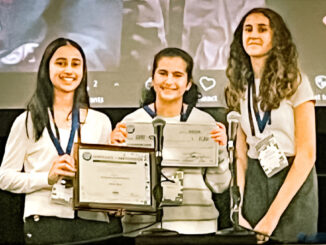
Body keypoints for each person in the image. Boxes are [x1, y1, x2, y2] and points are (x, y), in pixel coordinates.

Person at [0, 38, 122, 244]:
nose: (68, 70)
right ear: (46, 68)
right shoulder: (28, 121)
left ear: (83, 71)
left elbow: (104, 178)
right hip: (46, 221)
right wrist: (46, 178)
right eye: (60, 63)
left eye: (76, 64)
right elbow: (4, 177)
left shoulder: (100, 121)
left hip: (94, 223)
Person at [111, 47, 231, 236]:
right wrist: (114, 152)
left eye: (177, 75)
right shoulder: (130, 124)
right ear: (152, 78)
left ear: (188, 83)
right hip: (142, 231)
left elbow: (219, 185)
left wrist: (221, 150)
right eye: (163, 73)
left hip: (198, 230)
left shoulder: (205, 123)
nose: (169, 81)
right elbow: (120, 189)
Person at [225, 8, 318, 243]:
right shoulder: (237, 86)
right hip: (255, 177)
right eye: (248, 29)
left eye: (262, 29)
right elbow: (240, 157)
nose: (253, 35)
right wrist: (238, 208)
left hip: (293, 181)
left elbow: (307, 154)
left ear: (276, 37)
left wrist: (272, 217)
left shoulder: (296, 81)